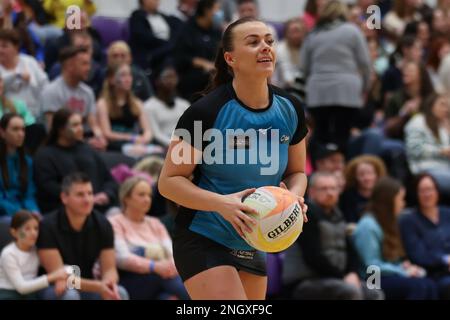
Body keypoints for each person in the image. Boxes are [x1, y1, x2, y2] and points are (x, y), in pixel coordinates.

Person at [158, 17, 309, 300]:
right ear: (231, 58)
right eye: (253, 42)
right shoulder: (203, 114)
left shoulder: (291, 109)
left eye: (269, 41)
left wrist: (294, 200)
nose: (265, 47)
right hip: (204, 235)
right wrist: (223, 204)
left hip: (254, 238)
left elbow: (296, 173)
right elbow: (168, 182)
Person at [291, 172, 383, 300]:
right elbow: (313, 257)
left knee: (374, 292)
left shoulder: (338, 215)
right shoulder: (306, 216)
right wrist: (343, 277)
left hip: (336, 279)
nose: (330, 193)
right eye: (324, 189)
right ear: (311, 192)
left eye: (333, 188)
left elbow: (351, 251)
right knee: (350, 292)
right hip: (307, 281)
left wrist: (352, 273)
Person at [37, 172, 128, 300]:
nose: (87, 200)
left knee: (120, 292)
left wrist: (109, 283)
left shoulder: (103, 224)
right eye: (80, 195)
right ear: (64, 198)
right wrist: (99, 286)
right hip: (53, 286)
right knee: (70, 295)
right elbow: (59, 276)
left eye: (90, 193)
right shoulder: (47, 226)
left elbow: (110, 269)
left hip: (87, 285)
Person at [300, 0, 371, 153]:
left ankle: (319, 169)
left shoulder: (313, 34)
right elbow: (365, 64)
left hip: (318, 92)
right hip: (347, 91)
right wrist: (365, 87)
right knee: (342, 135)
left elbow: (304, 67)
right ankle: (340, 170)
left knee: (320, 134)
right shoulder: (352, 31)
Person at [352, 177, 439, 300]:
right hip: (371, 280)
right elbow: (371, 266)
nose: (403, 204)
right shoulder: (368, 225)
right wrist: (402, 272)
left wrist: (404, 266)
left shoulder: (389, 221)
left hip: (386, 275)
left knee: (430, 284)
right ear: (389, 201)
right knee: (418, 286)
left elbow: (389, 259)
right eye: (400, 199)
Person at [108, 176, 189, 300]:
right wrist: (154, 266)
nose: (147, 199)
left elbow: (172, 253)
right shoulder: (115, 222)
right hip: (131, 280)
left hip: (163, 280)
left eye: (149, 195)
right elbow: (121, 258)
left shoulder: (155, 223)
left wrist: (170, 267)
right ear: (126, 198)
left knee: (168, 298)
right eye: (141, 195)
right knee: (162, 276)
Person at [34, 109, 117, 214]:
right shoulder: (45, 155)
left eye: (81, 124)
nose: (81, 129)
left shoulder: (88, 149)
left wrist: (106, 194)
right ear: (61, 129)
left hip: (99, 208)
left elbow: (109, 179)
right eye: (75, 125)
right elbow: (47, 188)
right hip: (64, 211)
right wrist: (82, 198)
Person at [40, 45, 106, 150]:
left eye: (89, 64)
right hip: (58, 148)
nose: (88, 68)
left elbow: (93, 125)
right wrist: (85, 143)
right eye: (84, 64)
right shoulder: (51, 91)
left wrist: (99, 138)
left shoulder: (88, 92)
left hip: (82, 144)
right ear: (69, 66)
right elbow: (52, 130)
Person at [400, 173, 450, 299]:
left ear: (437, 191)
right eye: (422, 191)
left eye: (430, 189)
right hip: (433, 274)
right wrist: (445, 260)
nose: (427, 194)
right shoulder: (408, 221)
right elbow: (418, 255)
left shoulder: (447, 213)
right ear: (416, 194)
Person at [97, 63, 161, 158]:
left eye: (129, 75)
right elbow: (107, 133)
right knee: (134, 152)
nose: (128, 79)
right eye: (123, 75)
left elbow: (148, 131)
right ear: (112, 80)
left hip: (136, 142)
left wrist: (144, 139)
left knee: (159, 151)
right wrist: (131, 138)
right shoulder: (103, 103)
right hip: (116, 144)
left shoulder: (137, 103)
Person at [0, 210, 68, 299]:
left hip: (31, 294)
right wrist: (53, 276)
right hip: (8, 295)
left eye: (36, 228)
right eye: (27, 229)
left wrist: (62, 277)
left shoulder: (36, 250)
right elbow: (22, 288)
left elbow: (64, 268)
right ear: (14, 232)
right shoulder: (8, 254)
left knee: (68, 293)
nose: (33, 233)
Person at [173, 0, 222, 102]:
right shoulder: (186, 29)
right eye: (217, 10)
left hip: (213, 72)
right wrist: (203, 63)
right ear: (207, 11)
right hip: (191, 76)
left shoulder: (216, 31)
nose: (220, 13)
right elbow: (181, 57)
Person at [0, 28, 48, 118]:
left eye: (4, 46)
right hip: (6, 120)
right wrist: (17, 76)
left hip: (34, 115)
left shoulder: (30, 62)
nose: (0, 50)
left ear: (16, 47)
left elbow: (45, 86)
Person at [0, 114, 39, 218]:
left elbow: (29, 193)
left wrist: (34, 211)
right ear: (2, 132)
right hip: (4, 214)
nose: (21, 134)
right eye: (15, 129)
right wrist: (18, 213)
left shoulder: (27, 161)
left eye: (23, 129)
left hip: (23, 213)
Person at [143, 64, 189, 148]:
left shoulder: (183, 104)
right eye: (167, 77)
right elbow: (156, 134)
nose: (171, 81)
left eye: (173, 77)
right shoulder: (149, 106)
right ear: (157, 81)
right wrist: (176, 146)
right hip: (163, 147)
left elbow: (192, 128)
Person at [129, 0, 177, 74]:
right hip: (151, 52)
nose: (157, 1)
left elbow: (175, 33)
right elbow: (143, 37)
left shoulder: (165, 17)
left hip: (168, 50)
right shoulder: (137, 16)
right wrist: (167, 44)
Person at [340, 155, 387, 223]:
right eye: (361, 174)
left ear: (377, 174)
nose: (367, 178)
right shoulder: (347, 196)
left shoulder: (384, 194)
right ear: (354, 176)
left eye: (370, 173)